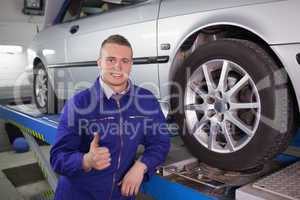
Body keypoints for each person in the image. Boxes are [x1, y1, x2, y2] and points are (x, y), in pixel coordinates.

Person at [50, 34, 171, 200]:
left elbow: (160, 142)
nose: (118, 67)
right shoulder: (79, 104)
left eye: (125, 61)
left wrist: (141, 166)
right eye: (111, 60)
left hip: (120, 195)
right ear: (99, 62)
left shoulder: (146, 100)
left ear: (131, 64)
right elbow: (57, 158)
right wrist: (85, 160)